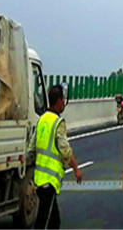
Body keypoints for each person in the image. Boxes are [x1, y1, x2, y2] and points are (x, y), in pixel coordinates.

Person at [31, 84, 82, 228]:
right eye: (63, 100)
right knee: (44, 222)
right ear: (58, 101)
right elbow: (65, 151)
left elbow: (31, 148)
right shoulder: (58, 123)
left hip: (39, 179)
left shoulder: (42, 119)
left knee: (53, 221)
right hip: (50, 181)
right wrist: (76, 169)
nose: (64, 103)